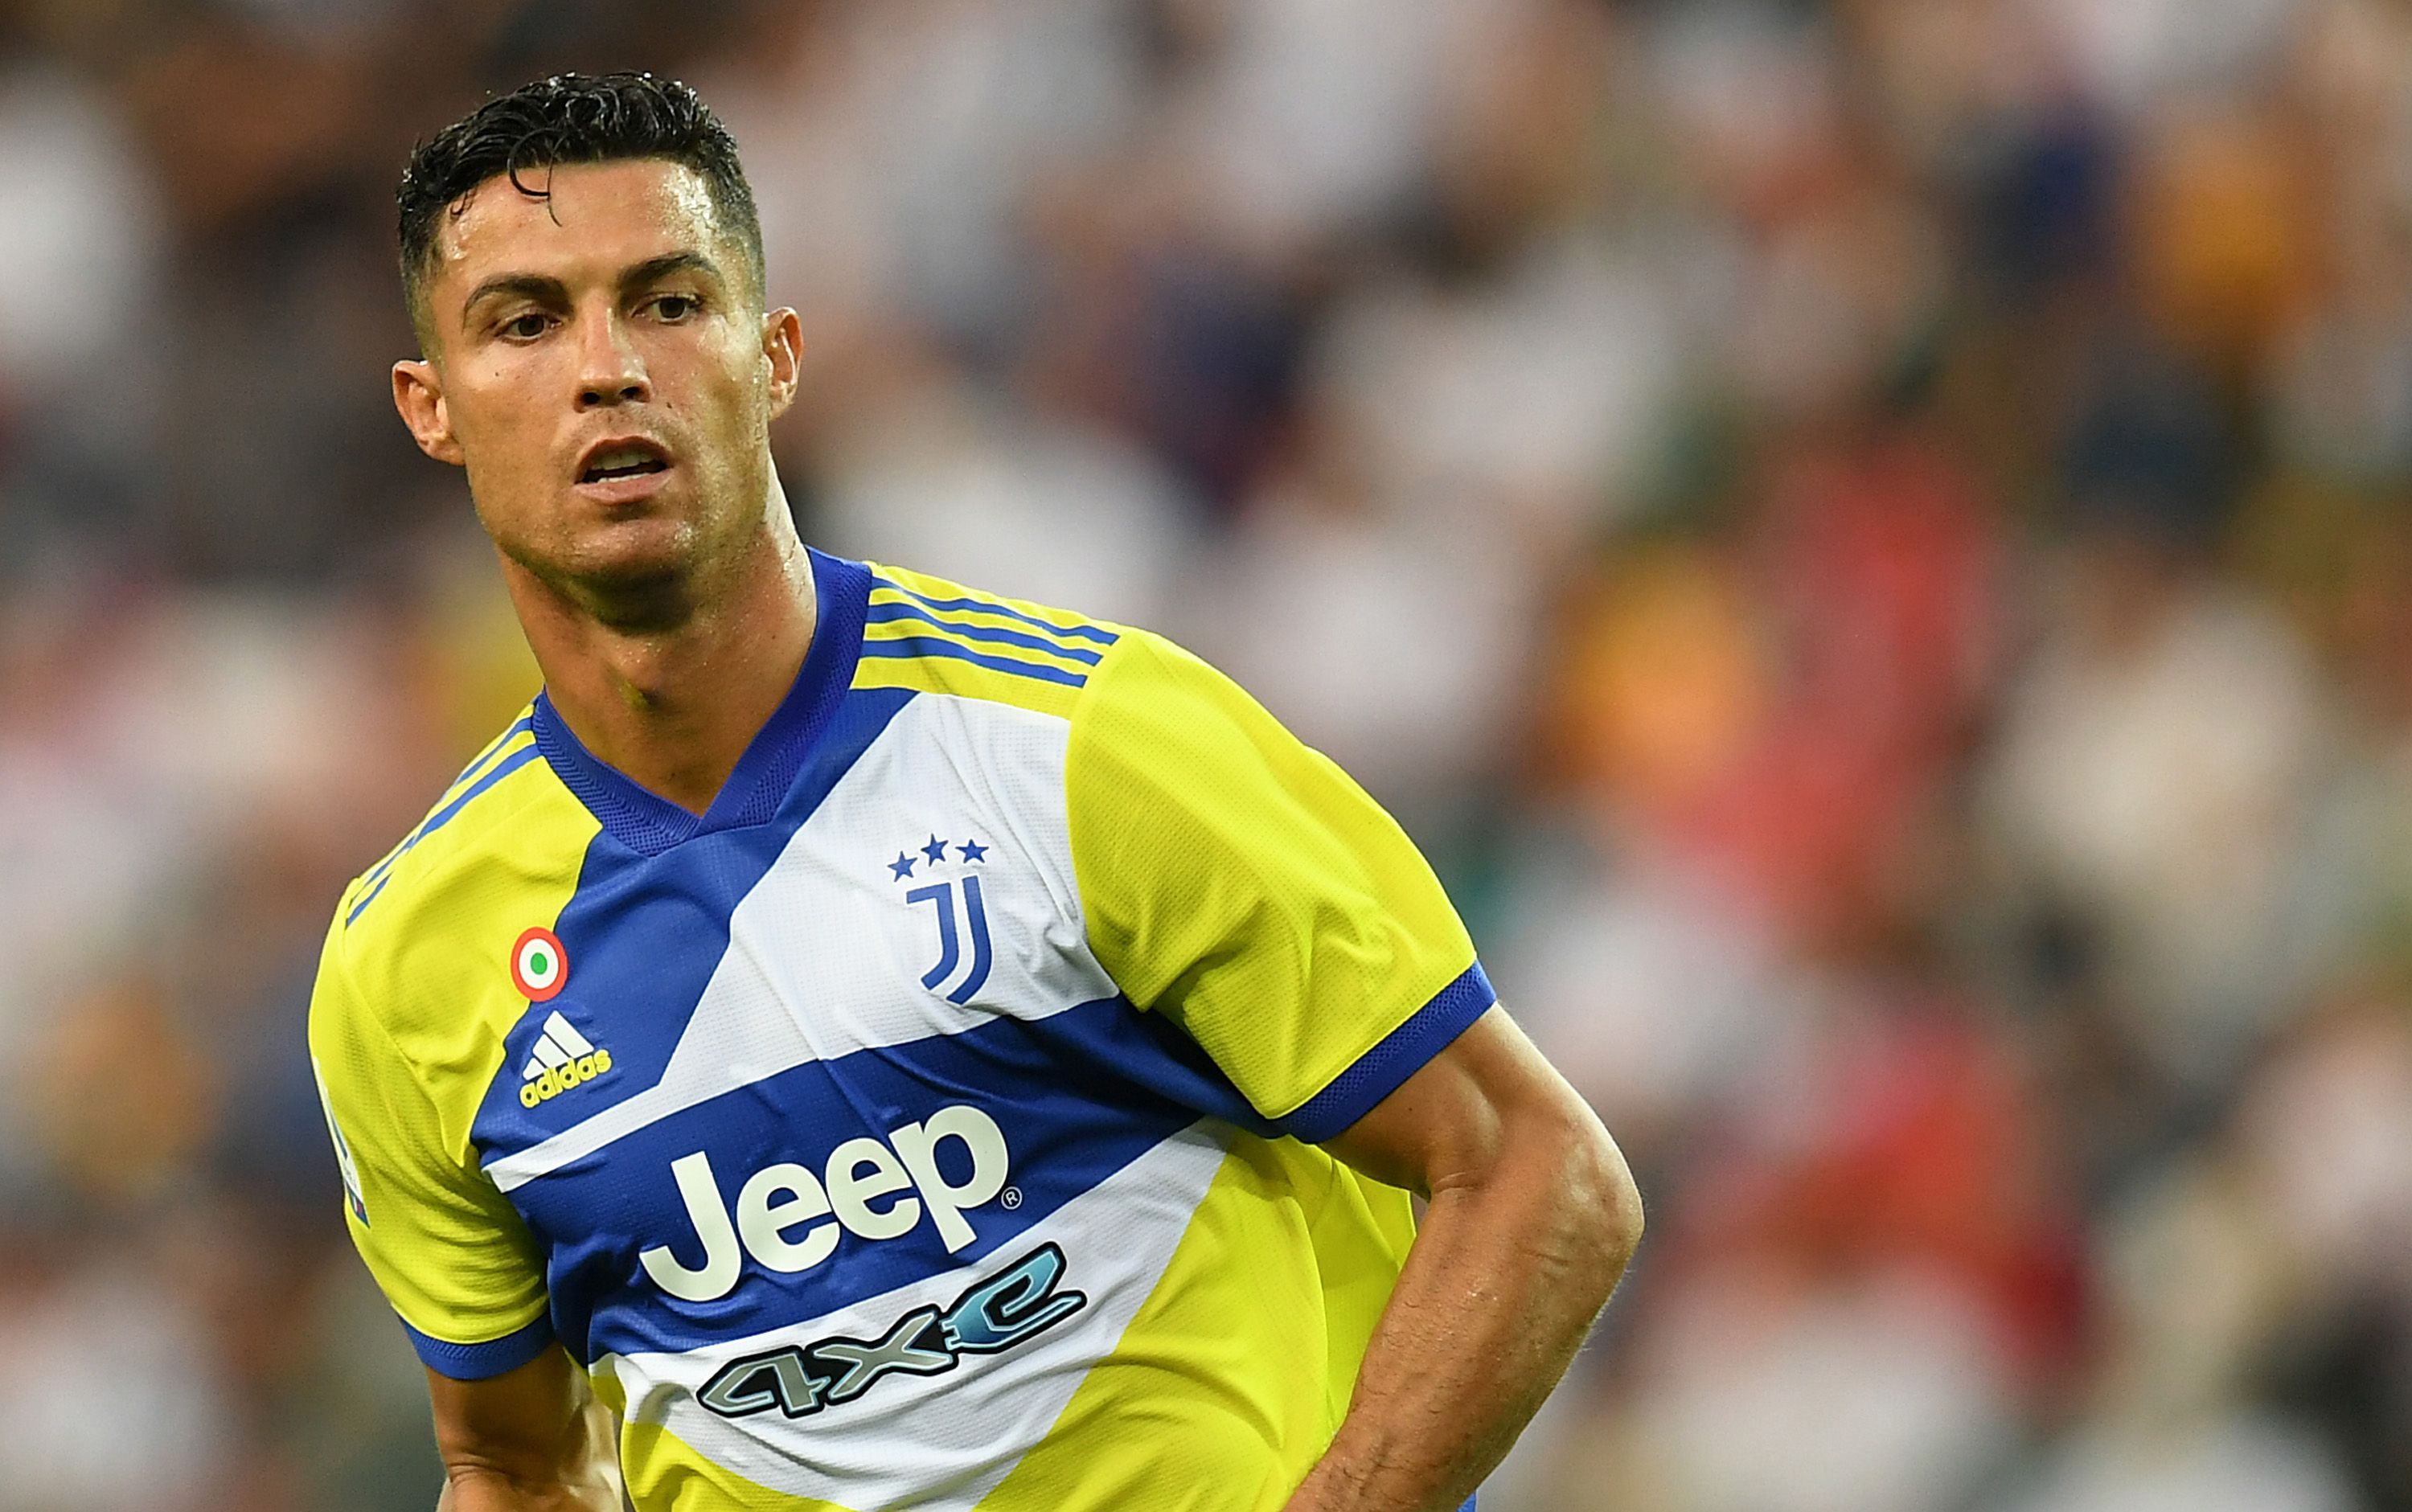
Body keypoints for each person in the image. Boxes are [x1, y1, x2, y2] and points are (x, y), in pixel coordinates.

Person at [307, 72, 1641, 1512]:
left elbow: (1541, 1174)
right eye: (525, 323)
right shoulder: (404, 965)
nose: (607, 368)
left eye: (670, 301)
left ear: (777, 357)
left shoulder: (1084, 747)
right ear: (431, 409)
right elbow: (512, 1462)